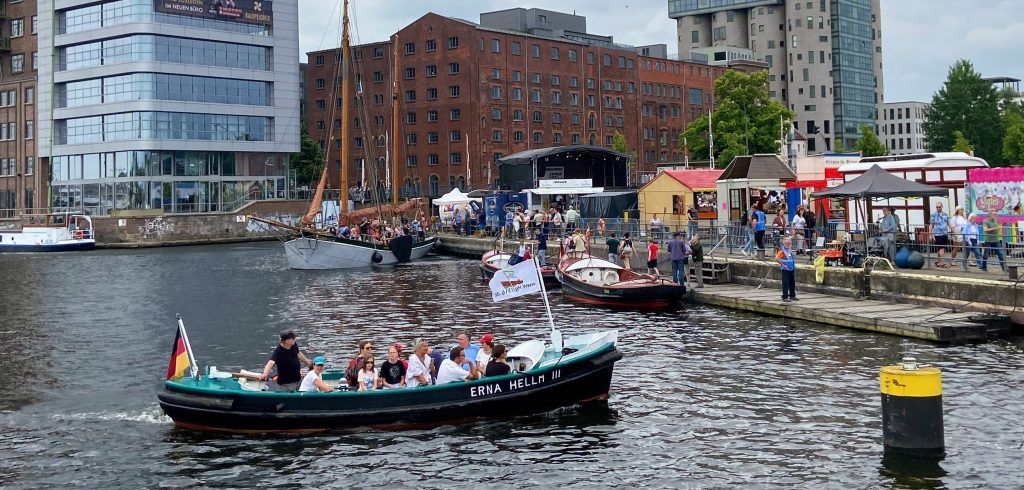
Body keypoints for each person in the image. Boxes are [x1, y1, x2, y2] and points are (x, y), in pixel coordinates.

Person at [776, 237, 798, 302]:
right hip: (785, 269)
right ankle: (785, 297)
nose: (788, 244)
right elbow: (777, 258)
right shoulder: (782, 250)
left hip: (791, 269)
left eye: (789, 242)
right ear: (784, 243)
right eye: (787, 243)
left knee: (792, 282)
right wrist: (783, 265)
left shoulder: (789, 249)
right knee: (785, 283)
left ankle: (792, 295)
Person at [929, 202, 951, 268]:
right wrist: (930, 234)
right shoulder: (933, 215)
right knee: (942, 248)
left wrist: (953, 231)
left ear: (942, 207)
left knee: (940, 249)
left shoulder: (946, 215)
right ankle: (942, 263)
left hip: (945, 233)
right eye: (937, 207)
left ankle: (938, 261)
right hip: (938, 234)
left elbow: (949, 223)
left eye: (939, 207)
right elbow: (931, 225)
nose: (938, 208)